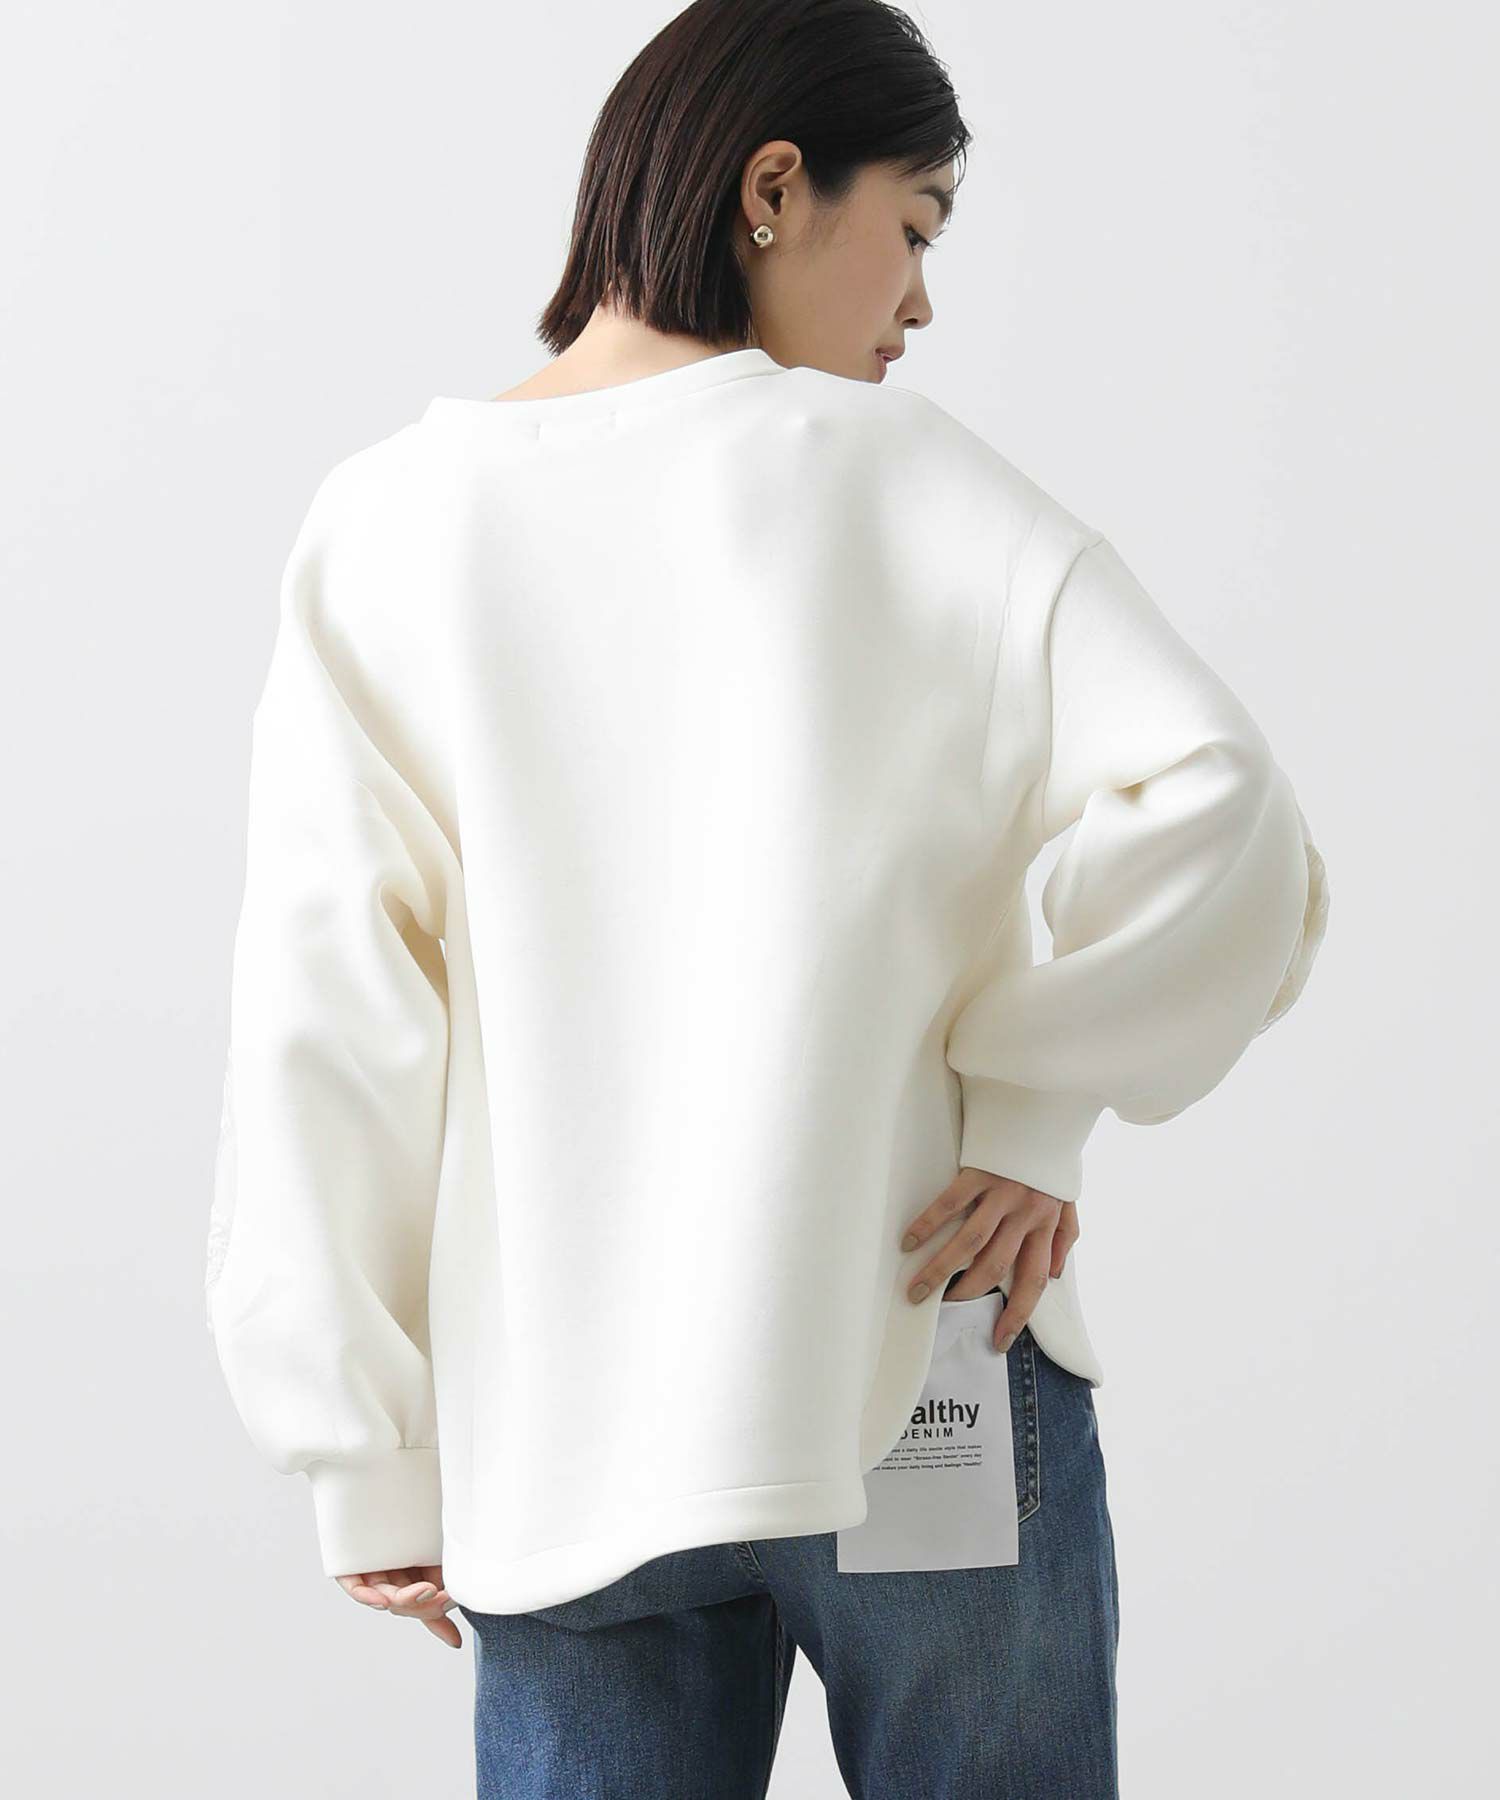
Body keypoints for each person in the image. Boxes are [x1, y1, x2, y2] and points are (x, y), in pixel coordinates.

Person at [204, 1, 1329, 1794]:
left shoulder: (391, 523)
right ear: (776, 188)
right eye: (918, 226)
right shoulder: (903, 476)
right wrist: (1033, 1104)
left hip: (567, 1433)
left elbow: (329, 1012)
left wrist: (363, 1446)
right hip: (926, 1351)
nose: (921, 302)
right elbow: (1221, 801)